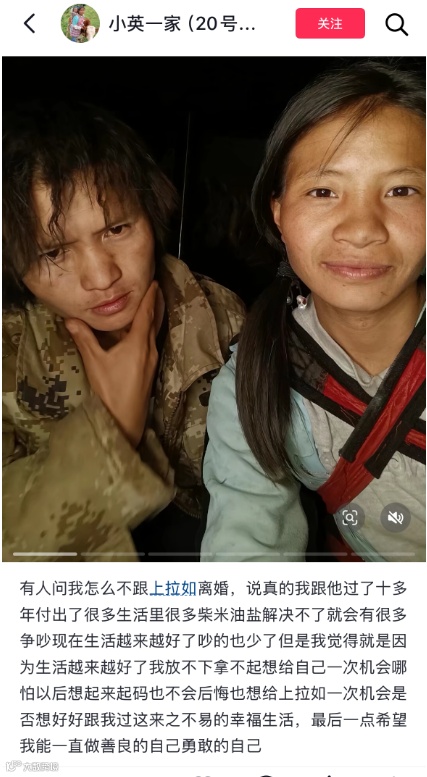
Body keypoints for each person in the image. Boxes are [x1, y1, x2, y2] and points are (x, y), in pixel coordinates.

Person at [201, 60, 425, 563]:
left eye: (401, 190)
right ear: (278, 211)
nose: (362, 229)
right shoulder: (256, 376)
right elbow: (245, 549)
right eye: (323, 191)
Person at [2, 102, 245, 562]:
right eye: (53, 253)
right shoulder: (8, 348)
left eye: (116, 228)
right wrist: (113, 427)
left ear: (150, 216)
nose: (102, 277)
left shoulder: (223, 316)